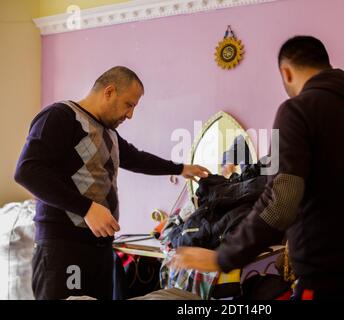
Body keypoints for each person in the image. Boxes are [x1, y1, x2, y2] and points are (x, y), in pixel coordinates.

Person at [171, 36, 344, 300]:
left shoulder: (297, 111)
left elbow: (281, 203)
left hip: (331, 282)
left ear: (286, 72)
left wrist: (224, 257)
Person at [14, 66, 209, 300]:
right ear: (109, 91)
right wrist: (86, 208)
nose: (130, 115)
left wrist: (181, 168)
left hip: (99, 249)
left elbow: (137, 158)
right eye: (129, 104)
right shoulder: (60, 116)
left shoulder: (109, 133)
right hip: (65, 247)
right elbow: (27, 171)